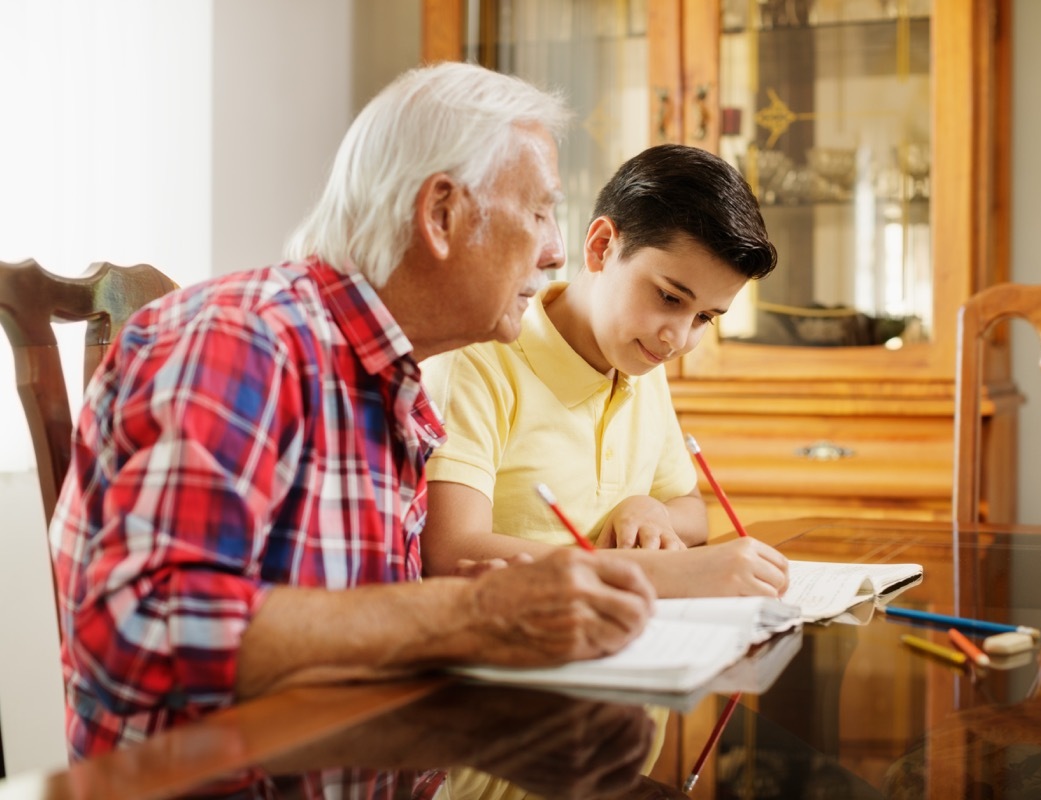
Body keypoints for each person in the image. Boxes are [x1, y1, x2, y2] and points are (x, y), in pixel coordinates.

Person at [46, 61, 656, 770]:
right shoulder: (242, 340)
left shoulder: (387, 383)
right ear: (441, 214)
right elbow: (138, 632)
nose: (557, 250)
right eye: (541, 211)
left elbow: (348, 643)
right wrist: (474, 616)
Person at [420, 143, 790, 599]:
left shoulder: (639, 360)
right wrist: (664, 573)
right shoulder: (479, 356)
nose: (678, 339)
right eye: (670, 298)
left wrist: (648, 508)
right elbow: (451, 550)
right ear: (601, 247)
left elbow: (691, 510)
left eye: (704, 318)